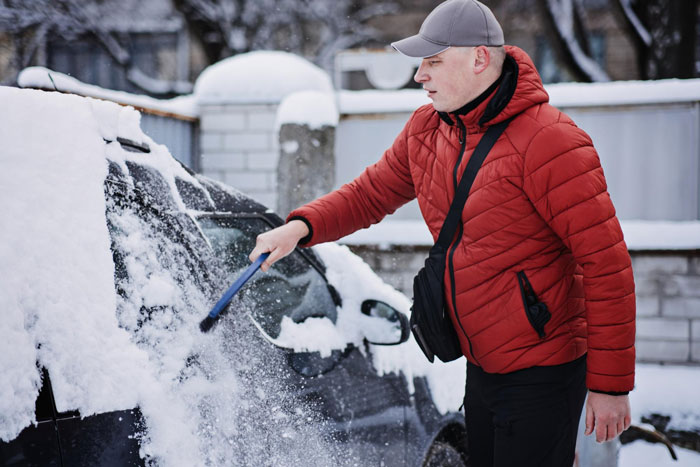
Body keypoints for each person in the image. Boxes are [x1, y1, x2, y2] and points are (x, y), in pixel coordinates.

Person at [249, 0, 636, 465]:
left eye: (433, 61)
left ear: (478, 59)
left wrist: (610, 386)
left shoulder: (551, 141)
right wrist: (300, 227)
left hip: (544, 369)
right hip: (480, 362)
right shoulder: (427, 130)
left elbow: (606, 264)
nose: (420, 76)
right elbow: (369, 194)